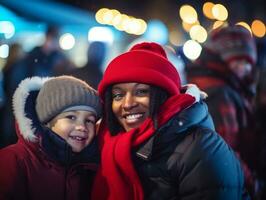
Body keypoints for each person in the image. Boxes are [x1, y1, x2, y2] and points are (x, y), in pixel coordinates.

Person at [91, 42, 248, 200]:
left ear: (163, 96)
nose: (128, 103)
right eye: (118, 95)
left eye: (141, 92)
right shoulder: (104, 142)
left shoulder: (201, 148)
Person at [0, 75, 102, 200]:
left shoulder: (89, 167)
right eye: (71, 117)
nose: (82, 127)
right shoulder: (13, 160)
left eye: (89, 120)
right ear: (47, 121)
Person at [186, 25, 258, 196]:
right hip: (231, 183)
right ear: (221, 60)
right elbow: (226, 150)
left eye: (248, 62)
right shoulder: (220, 93)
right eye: (238, 61)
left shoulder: (217, 84)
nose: (245, 68)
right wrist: (253, 184)